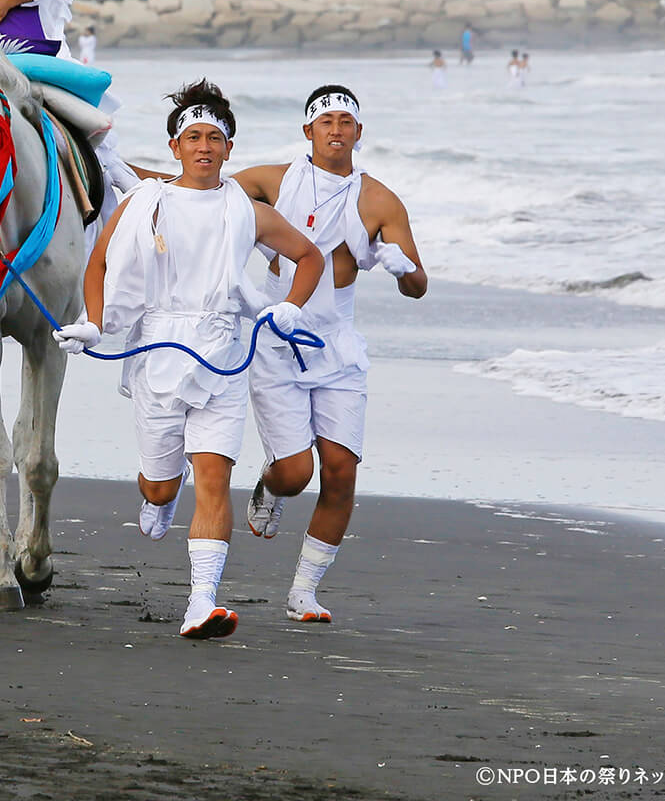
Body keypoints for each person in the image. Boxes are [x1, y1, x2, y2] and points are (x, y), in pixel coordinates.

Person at [55, 80, 325, 640]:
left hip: (223, 352)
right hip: (158, 347)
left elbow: (309, 255)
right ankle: (159, 488)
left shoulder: (247, 212)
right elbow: (100, 263)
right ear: (175, 146)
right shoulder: (142, 203)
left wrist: (289, 310)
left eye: (215, 138)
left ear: (229, 148)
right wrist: (95, 323)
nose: (204, 146)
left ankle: (201, 603)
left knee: (214, 480)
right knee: (158, 488)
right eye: (194, 136)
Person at [232, 86, 428, 624]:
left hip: (338, 344)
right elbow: (194, 192)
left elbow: (419, 286)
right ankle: (271, 483)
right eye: (326, 122)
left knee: (340, 472)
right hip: (278, 339)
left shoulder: (380, 200)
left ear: (359, 133)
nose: (336, 130)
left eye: (346, 121)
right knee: (296, 475)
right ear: (308, 132)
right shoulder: (272, 181)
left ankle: (303, 593)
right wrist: (112, 167)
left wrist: (399, 264)